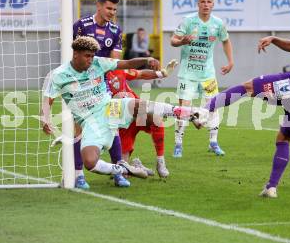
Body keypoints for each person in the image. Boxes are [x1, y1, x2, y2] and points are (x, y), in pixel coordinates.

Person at [201, 0, 290, 198]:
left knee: (248, 87)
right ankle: (271, 187)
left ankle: (205, 109)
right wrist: (274, 39)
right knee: (283, 138)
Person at [41, 36, 199, 186]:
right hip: (90, 122)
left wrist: (147, 59)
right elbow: (48, 99)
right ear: (75, 54)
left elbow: (128, 63)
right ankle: (122, 169)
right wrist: (45, 119)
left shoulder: (98, 63)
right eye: (87, 56)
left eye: (92, 56)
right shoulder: (59, 75)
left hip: (110, 107)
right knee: (90, 162)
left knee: (138, 105)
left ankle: (184, 112)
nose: (90, 60)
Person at [170, 0, 234, 158]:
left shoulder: (218, 23)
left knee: (213, 107)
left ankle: (213, 142)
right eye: (203, 2)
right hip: (187, 74)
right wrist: (183, 40)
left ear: (213, 4)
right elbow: (173, 41)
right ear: (198, 4)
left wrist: (230, 61)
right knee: (183, 109)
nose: (206, 5)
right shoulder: (188, 21)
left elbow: (226, 41)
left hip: (208, 75)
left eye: (209, 2)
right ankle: (178, 145)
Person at [72, 0, 125, 188]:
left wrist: (116, 84)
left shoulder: (115, 30)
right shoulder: (81, 26)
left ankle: (118, 172)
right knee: (78, 129)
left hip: (103, 86)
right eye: (109, 8)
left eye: (114, 9)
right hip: (81, 85)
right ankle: (78, 175)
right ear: (99, 6)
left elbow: (115, 61)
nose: (111, 12)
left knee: (114, 125)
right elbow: (73, 55)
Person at [106, 60, 178, 178]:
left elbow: (140, 74)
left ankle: (160, 161)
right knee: (122, 173)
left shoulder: (117, 68)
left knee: (156, 117)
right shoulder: (94, 78)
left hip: (138, 111)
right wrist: (115, 99)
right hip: (121, 121)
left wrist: (161, 73)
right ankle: (136, 167)